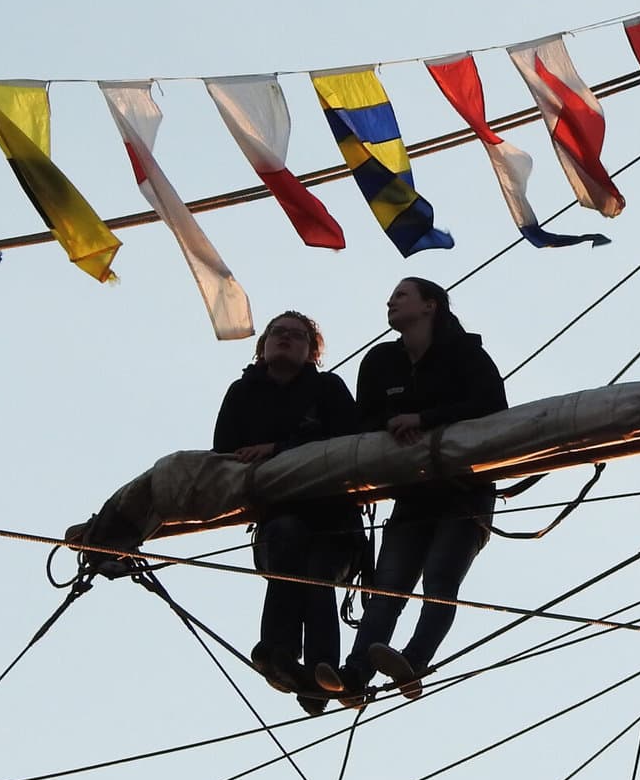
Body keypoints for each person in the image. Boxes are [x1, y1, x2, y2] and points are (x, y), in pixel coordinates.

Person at [342, 278, 508, 701]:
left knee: (440, 581)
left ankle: (414, 661)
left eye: (401, 295)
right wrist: (390, 428)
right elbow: (362, 421)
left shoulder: (466, 354)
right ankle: (354, 674)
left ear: (430, 305)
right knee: (386, 590)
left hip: (465, 489)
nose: (390, 301)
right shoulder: (381, 362)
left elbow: (492, 408)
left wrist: (424, 418)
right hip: (412, 492)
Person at [213, 311, 363, 715]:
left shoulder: (328, 389)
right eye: (278, 333)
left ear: (312, 352)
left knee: (316, 574)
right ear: (262, 346)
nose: (285, 340)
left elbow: (348, 440)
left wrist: (277, 449)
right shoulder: (242, 394)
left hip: (334, 521)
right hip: (278, 520)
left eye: (297, 337)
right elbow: (223, 453)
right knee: (288, 546)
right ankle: (282, 656)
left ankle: (318, 670)